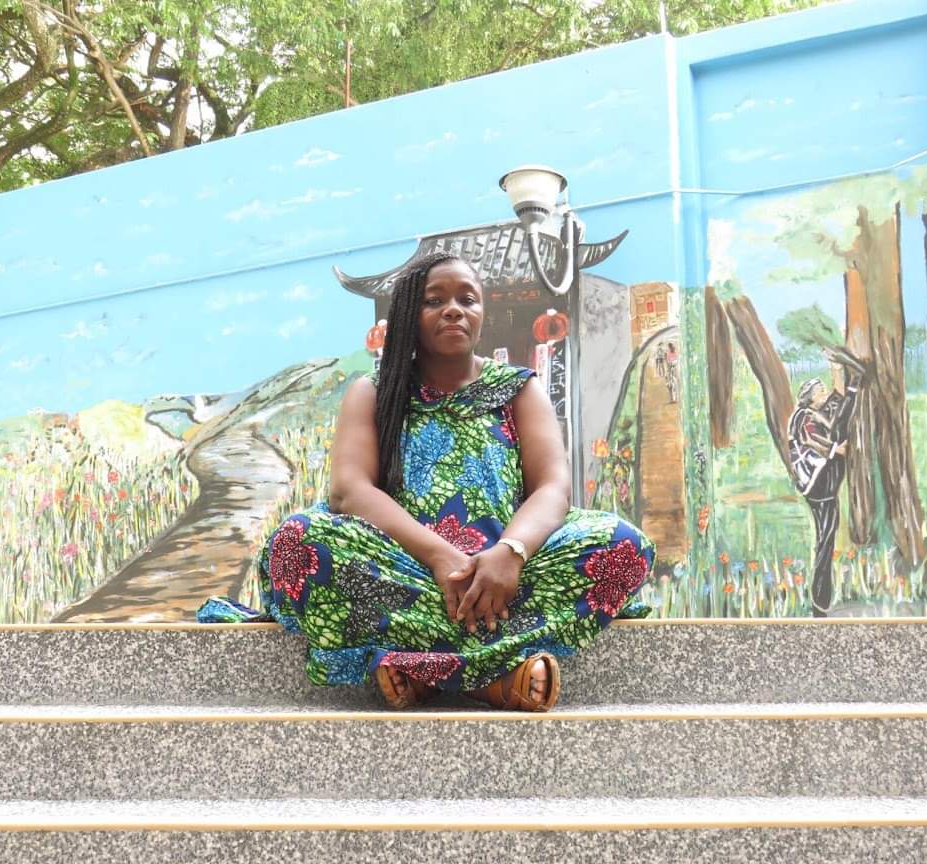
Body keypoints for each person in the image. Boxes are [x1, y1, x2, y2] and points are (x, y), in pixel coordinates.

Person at [199, 252, 656, 710]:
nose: (454, 309)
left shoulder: (519, 389)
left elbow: (553, 487)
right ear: (407, 317)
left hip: (504, 573)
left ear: (482, 315)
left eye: (467, 300)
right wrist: (440, 559)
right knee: (300, 542)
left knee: (622, 544)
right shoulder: (374, 392)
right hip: (407, 565)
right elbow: (349, 491)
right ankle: (489, 679)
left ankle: (424, 666)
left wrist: (509, 555)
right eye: (434, 301)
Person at [788, 348, 865, 617]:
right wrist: (835, 450)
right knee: (825, 540)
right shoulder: (804, 418)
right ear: (810, 399)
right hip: (819, 486)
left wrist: (835, 369)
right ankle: (820, 602)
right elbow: (813, 440)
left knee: (826, 538)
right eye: (819, 393)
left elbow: (838, 403)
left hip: (823, 485)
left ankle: (821, 600)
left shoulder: (814, 413)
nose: (824, 396)